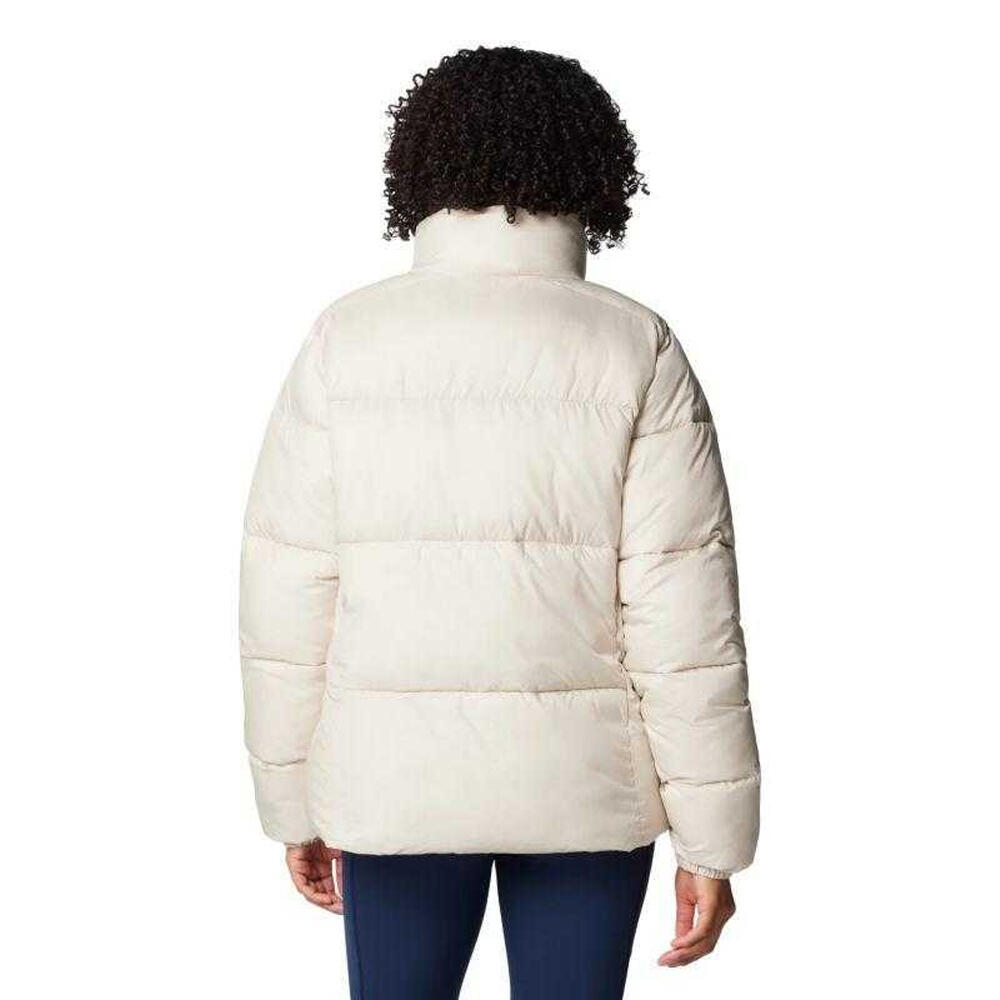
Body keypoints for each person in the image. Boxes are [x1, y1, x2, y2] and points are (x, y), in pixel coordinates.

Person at [240, 45, 760, 1000]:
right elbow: (685, 619)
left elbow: (288, 594)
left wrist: (292, 806)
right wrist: (713, 843)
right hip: (587, 792)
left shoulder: (347, 340)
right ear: (594, 168)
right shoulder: (635, 345)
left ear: (420, 164)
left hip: (395, 786)